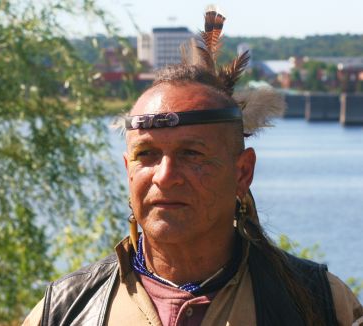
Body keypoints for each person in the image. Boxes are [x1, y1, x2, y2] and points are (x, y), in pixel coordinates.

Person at [23, 7, 363, 326]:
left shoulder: (320, 304)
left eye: (192, 154)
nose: (165, 176)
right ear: (128, 171)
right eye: (146, 155)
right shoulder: (69, 310)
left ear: (242, 172)